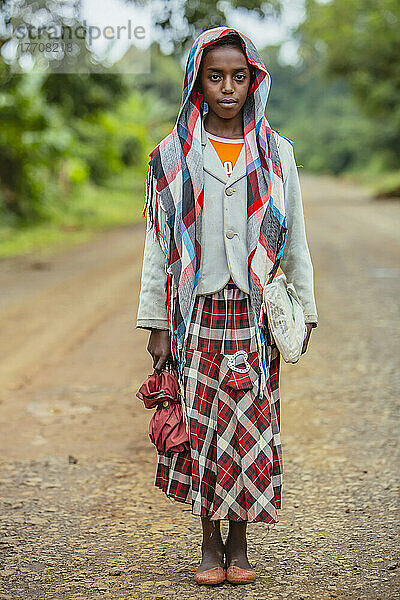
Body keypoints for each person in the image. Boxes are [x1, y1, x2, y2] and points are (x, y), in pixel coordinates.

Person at [136, 26, 318, 586]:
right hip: (195, 315)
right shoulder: (172, 157)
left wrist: (305, 309)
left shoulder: (275, 151)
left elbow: (295, 240)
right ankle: (209, 549)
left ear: (254, 81)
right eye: (215, 76)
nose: (227, 87)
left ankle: (241, 546)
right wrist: (156, 319)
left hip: (255, 314)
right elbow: (157, 244)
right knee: (204, 428)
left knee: (248, 428)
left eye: (239, 76)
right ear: (197, 81)